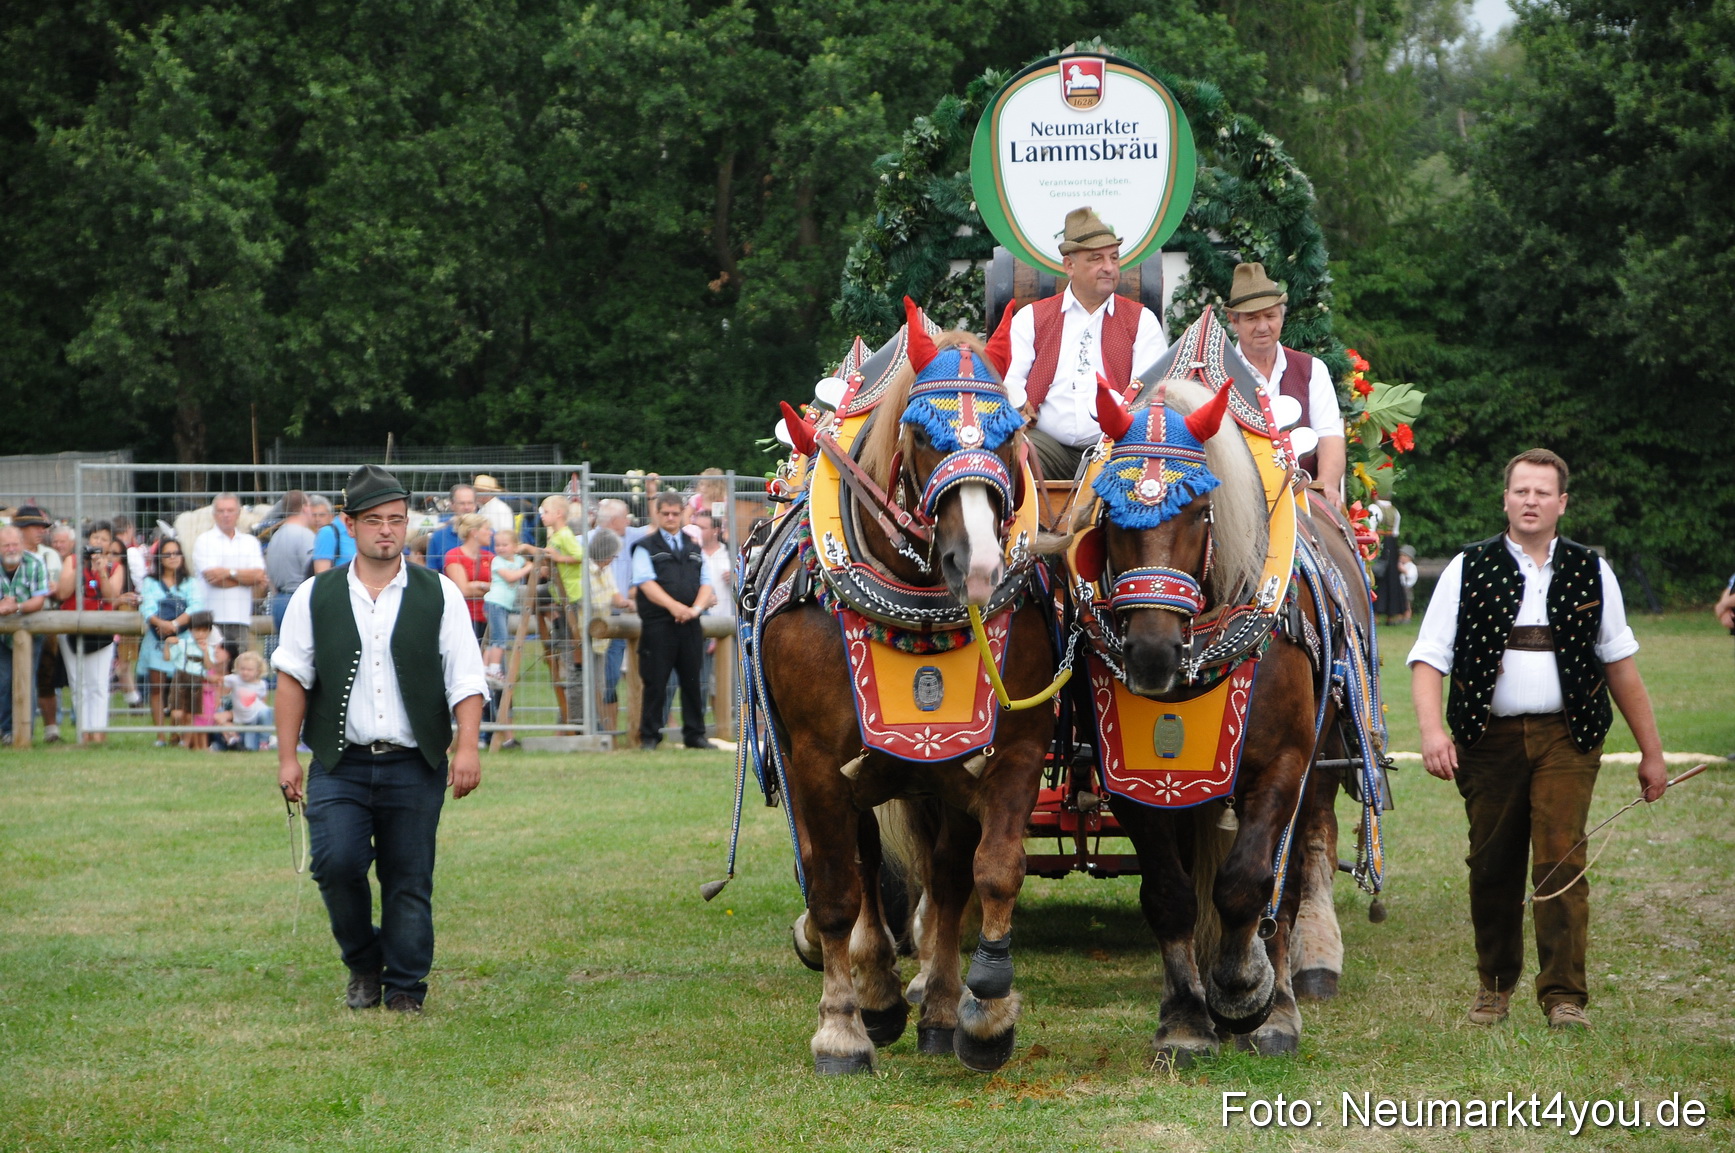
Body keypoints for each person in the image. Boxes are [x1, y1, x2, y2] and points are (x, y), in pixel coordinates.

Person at [1408, 448, 1666, 1031]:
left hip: (1567, 737)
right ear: (1506, 499)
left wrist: (1652, 753)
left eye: (1542, 492)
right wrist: (1431, 731)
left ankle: (1564, 997)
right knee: (1492, 866)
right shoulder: (1466, 568)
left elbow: (1620, 664)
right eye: (1521, 491)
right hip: (1487, 739)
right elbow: (1429, 658)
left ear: (1562, 503)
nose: (1531, 501)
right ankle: (1494, 987)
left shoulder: (1591, 571)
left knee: (1560, 861)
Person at [273, 464, 487, 1014]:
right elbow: (292, 678)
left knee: (408, 877)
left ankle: (406, 988)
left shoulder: (439, 592)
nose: (387, 530)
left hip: (414, 762)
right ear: (350, 525)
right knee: (335, 865)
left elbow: (466, 676)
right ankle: (365, 962)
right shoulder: (314, 596)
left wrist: (466, 747)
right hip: (339, 761)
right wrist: (287, 759)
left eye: (396, 520)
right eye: (374, 521)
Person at [1001, 206, 1169, 481]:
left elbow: (1149, 396)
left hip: (1116, 448)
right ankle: (1017, 525)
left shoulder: (1141, 321)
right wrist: (1019, 404)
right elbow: (1010, 382)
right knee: (1011, 451)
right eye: (1096, 258)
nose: (1109, 267)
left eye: (1114, 258)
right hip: (1046, 447)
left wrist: (1119, 432)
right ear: (1070, 266)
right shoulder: (1031, 318)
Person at [1221, 261, 1346, 495]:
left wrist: (1327, 485)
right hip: (1235, 499)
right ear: (1233, 321)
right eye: (1251, 318)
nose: (1262, 327)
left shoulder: (1311, 370)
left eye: (1270, 316)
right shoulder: (1216, 373)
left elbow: (1330, 436)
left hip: (1304, 498)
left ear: (1281, 316)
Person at [631, 491, 713, 750]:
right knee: (656, 681)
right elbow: (645, 582)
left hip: (690, 624)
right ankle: (650, 736)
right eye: (665, 513)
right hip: (659, 625)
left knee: (692, 680)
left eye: (675, 513)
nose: (670, 518)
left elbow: (707, 583)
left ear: (682, 514)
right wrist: (675, 607)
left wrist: (695, 609)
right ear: (657, 514)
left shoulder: (694, 547)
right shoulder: (645, 547)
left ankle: (695, 735)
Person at [55, 519, 127, 744]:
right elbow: (63, 593)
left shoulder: (116, 567)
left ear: (110, 543)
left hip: (101, 628)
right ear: (88, 540)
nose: (99, 542)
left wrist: (101, 570)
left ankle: (99, 731)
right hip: (72, 626)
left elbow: (110, 597)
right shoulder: (72, 561)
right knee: (79, 683)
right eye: (95, 537)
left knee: (98, 683)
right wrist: (82, 568)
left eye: (104, 539)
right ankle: (83, 732)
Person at [137, 539, 202, 746]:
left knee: (182, 687)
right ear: (160, 558)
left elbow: (196, 606)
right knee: (157, 687)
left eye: (176, 553)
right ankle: (160, 735)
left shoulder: (190, 582)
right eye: (167, 554)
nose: (172, 557)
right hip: (157, 639)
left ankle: (178, 732)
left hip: (183, 638)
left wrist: (173, 624)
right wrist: (161, 624)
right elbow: (147, 607)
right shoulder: (150, 582)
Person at [193, 493, 267, 653]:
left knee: (240, 671)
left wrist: (227, 572)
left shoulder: (250, 542)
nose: (226, 515)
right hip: (211, 619)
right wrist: (246, 578)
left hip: (241, 618)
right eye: (221, 510)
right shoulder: (204, 541)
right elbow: (213, 579)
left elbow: (259, 577)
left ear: (239, 513)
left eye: (230, 510)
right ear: (214, 514)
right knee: (212, 672)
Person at [0, 524, 52, 743]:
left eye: (14, 544)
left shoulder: (35, 563)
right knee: (3, 680)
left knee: (25, 679)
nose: (11, 549)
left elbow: (39, 600)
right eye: (5, 545)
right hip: (2, 634)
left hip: (31, 633)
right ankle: (4, 731)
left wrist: (16, 607)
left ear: (21, 545)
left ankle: (23, 731)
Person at [37, 523, 77, 741]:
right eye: (56, 541)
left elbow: (61, 593)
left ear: (72, 543)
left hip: (56, 618)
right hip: (48, 616)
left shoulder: (52, 557)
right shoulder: (49, 557)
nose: (59, 545)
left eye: (63, 541)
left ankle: (55, 726)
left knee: (51, 675)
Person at [167, 610, 227, 750]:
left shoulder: (209, 649)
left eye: (204, 631)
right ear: (190, 630)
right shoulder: (184, 644)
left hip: (199, 686)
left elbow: (208, 666)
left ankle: (186, 744)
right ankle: (176, 735)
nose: (200, 634)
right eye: (197, 630)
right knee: (177, 713)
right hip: (182, 680)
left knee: (192, 716)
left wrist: (205, 652)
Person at [585, 529, 626, 732]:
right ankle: (586, 726)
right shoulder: (585, 571)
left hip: (601, 638)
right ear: (608, 556)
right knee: (583, 685)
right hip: (583, 636)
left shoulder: (605, 570)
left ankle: (598, 727)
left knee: (599, 685)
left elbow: (615, 597)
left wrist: (630, 604)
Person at [482, 527, 531, 681]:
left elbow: (529, 559)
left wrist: (528, 551)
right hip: (495, 602)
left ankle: (484, 668)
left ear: (515, 547)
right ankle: (494, 669)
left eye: (505, 545)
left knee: (494, 639)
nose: (500, 548)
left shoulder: (517, 559)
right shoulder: (497, 561)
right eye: (497, 545)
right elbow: (510, 577)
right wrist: (529, 568)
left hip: (503, 605)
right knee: (500, 638)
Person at [266, 490, 316, 638]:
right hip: (299, 601)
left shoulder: (276, 536)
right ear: (305, 507)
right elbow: (312, 572)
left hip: (278, 601)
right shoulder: (305, 535)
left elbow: (269, 575)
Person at [442, 514, 494, 643]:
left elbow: (499, 588)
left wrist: (476, 585)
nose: (491, 533)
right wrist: (486, 587)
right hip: (463, 617)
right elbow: (463, 590)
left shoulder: (490, 557)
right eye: (487, 529)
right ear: (474, 532)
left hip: (487, 616)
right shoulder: (454, 555)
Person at [221, 650, 274, 751]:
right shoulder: (234, 679)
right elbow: (220, 681)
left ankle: (264, 741)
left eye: (249, 670)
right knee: (249, 748)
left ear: (257, 671)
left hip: (255, 716)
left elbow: (263, 701)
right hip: (243, 718)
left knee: (265, 712)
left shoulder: (262, 684)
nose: (245, 672)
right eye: (242, 669)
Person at [423, 484, 476, 573]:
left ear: (475, 505)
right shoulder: (438, 537)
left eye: (470, 503)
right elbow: (432, 572)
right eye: (462, 503)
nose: (467, 507)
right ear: (452, 505)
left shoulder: (488, 535)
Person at [309, 495, 355, 573]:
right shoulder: (328, 533)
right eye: (314, 515)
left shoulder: (361, 531)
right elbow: (322, 577)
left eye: (322, 515)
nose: (317, 519)